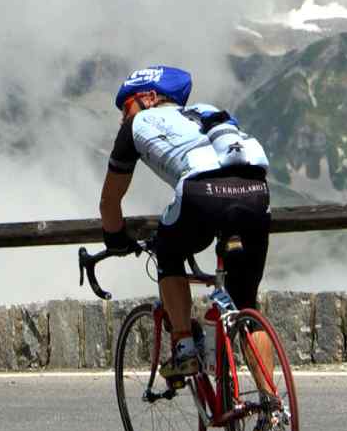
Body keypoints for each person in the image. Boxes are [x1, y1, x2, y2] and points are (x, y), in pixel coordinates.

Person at [97, 66, 273, 385]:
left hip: (201, 193)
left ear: (149, 98)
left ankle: (184, 348)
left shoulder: (136, 124)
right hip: (256, 191)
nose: (123, 117)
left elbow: (109, 202)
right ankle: (271, 406)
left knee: (168, 252)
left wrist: (115, 239)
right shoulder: (209, 112)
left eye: (126, 107)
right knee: (246, 304)